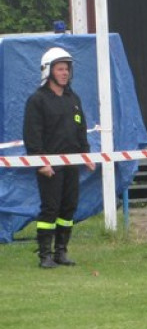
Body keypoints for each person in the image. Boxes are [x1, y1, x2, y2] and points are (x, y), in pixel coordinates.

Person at [24, 47, 94, 268]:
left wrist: (85, 155)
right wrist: (40, 162)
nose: (65, 73)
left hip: (71, 163)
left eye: (67, 69)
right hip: (50, 165)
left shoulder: (73, 99)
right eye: (60, 69)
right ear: (48, 71)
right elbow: (32, 134)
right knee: (50, 208)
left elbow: (80, 130)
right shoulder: (37, 100)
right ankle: (45, 255)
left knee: (68, 208)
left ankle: (61, 252)